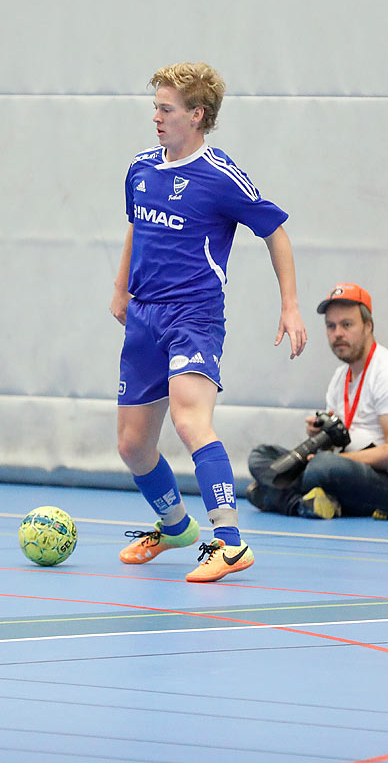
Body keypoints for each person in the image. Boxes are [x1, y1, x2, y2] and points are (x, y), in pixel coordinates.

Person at [110, 62, 307, 583]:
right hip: (145, 316)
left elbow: (276, 231)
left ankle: (231, 542)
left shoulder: (220, 176)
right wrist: (120, 288)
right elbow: (136, 227)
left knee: (190, 420)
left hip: (193, 317)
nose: (155, 117)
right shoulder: (141, 168)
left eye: (166, 109)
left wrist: (289, 304)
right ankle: (175, 526)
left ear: (197, 116)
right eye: (154, 106)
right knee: (132, 445)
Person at [247, 283, 388, 520]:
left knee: (321, 468)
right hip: (349, 472)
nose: (338, 334)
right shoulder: (339, 379)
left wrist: (334, 460)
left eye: (347, 325)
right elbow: (336, 445)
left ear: (368, 326)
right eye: (331, 326)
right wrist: (319, 437)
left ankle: (276, 496)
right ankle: (304, 503)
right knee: (261, 456)